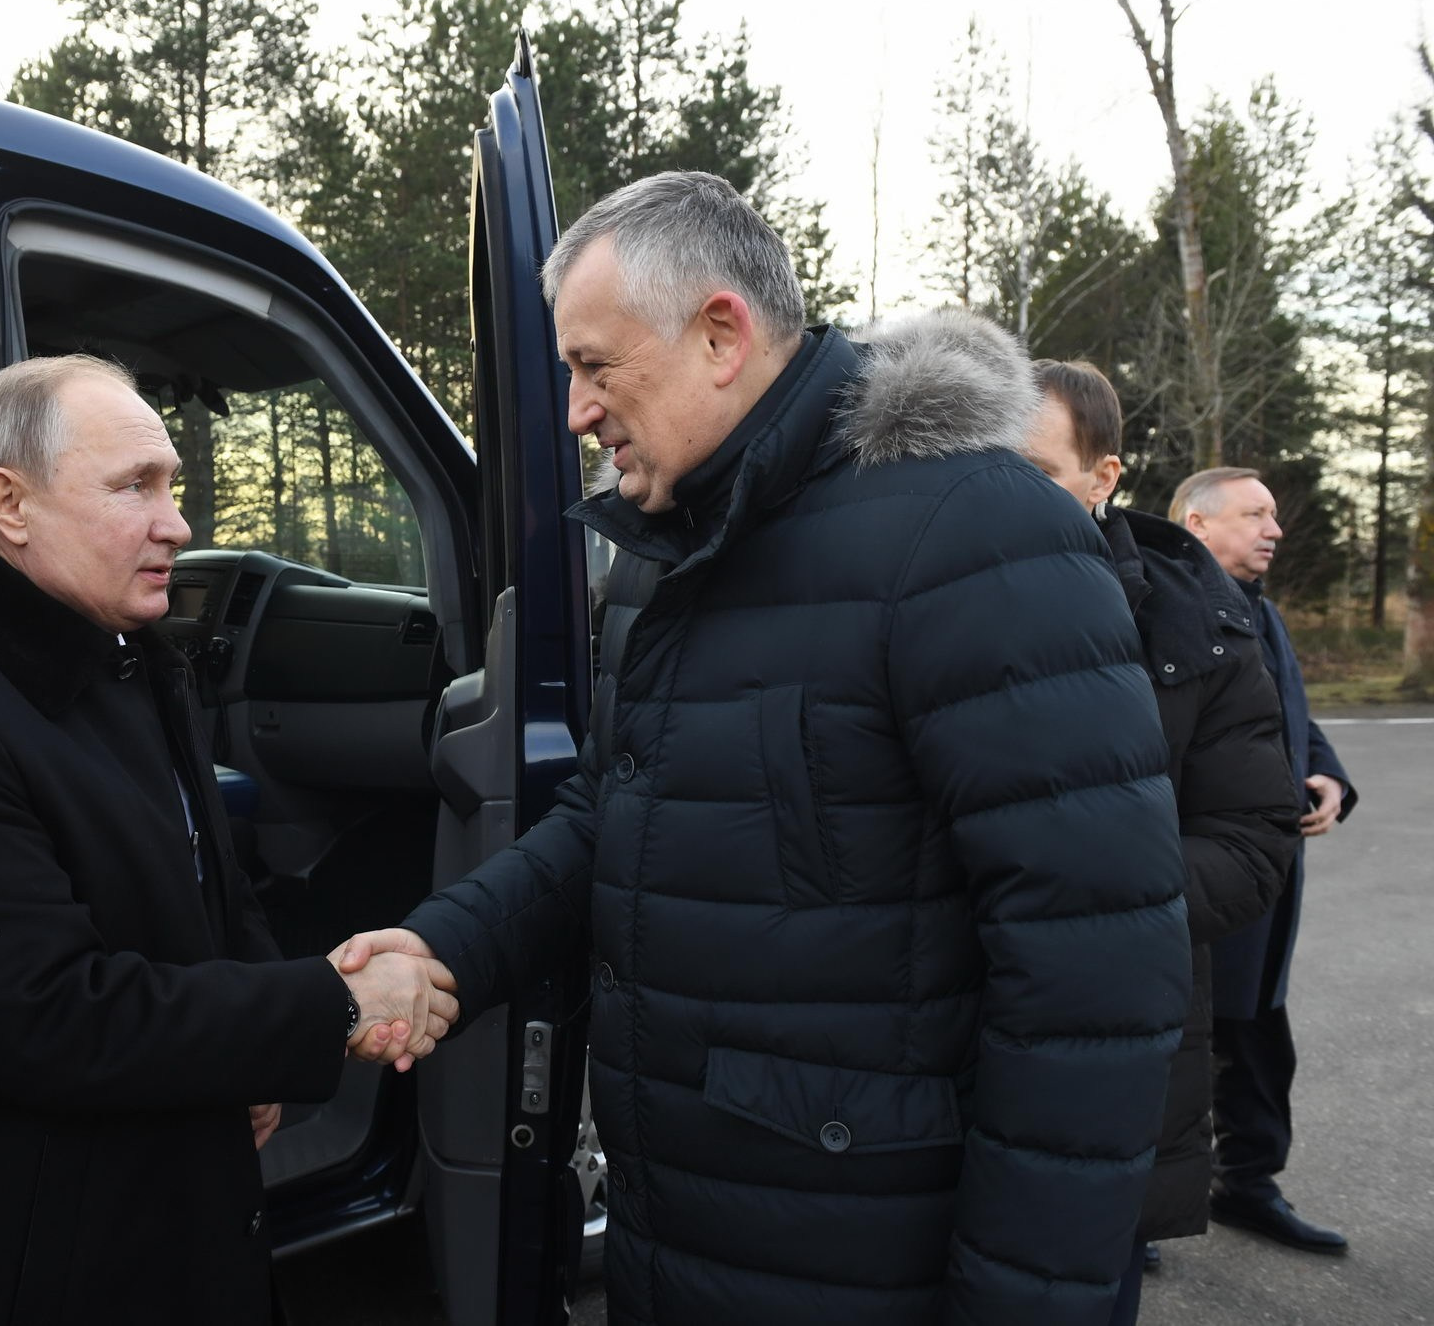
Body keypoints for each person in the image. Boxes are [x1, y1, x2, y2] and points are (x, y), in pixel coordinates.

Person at [338, 172, 1193, 1325]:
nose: (577, 412)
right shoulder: (663, 553)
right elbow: (613, 814)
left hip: (867, 1260)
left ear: (720, 334)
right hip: (684, 1232)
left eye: (594, 366)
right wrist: (442, 945)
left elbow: (1091, 985)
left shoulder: (973, 532)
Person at [0, 354, 455, 1324]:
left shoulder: (129, 657)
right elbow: (53, 1018)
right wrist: (330, 1004)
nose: (178, 524)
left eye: (173, 485)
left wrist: (259, 1055)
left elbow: (211, 887)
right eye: (134, 487)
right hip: (40, 1264)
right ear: (9, 503)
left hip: (173, 1211)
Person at [1027, 363, 1299, 1317]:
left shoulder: (1199, 628)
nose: (999, 502)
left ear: (1103, 477)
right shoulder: (905, 597)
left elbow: (1253, 840)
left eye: (1035, 474)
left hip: (1115, 1047)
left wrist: (1086, 897)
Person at [1172, 467, 1359, 1255]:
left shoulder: (1263, 612)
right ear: (1196, 522)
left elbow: (1293, 717)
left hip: (1270, 870)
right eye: (1255, 514)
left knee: (1257, 1034)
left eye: (1274, 515)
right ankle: (1138, 1211)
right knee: (1174, 1042)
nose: (1274, 530)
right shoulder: (1166, 609)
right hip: (1202, 863)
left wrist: (1330, 776)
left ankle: (1247, 1183)